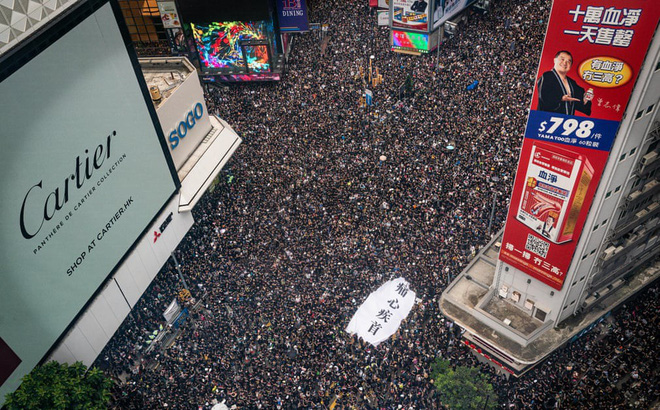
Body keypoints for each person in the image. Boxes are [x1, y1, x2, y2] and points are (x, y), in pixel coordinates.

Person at [537, 50, 592, 116]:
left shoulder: (572, 83)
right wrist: (561, 98)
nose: (565, 63)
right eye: (562, 59)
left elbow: (579, 104)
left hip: (566, 122)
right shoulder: (547, 76)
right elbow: (544, 97)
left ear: (571, 66)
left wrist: (585, 99)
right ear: (555, 60)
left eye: (568, 61)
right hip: (547, 119)